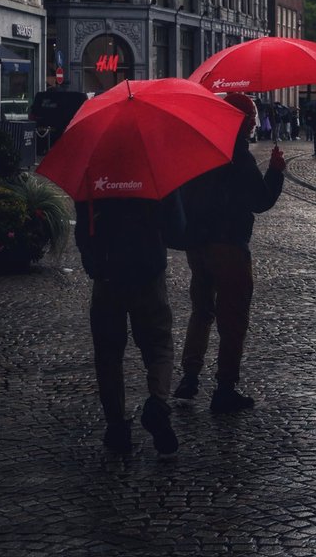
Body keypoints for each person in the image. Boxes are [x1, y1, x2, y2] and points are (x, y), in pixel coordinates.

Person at [173, 93, 285, 413]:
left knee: (202, 310)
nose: (252, 126)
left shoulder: (200, 149)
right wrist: (276, 171)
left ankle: (190, 376)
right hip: (229, 245)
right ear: (243, 122)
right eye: (250, 121)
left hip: (198, 245)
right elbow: (260, 201)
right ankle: (225, 387)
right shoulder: (238, 155)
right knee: (233, 318)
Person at [74, 193, 182, 457]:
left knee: (108, 353)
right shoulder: (155, 175)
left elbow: (83, 228)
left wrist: (92, 261)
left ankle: (116, 425)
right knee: (159, 344)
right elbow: (178, 227)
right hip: (148, 272)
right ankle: (157, 402)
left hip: (107, 274)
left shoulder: (92, 177)